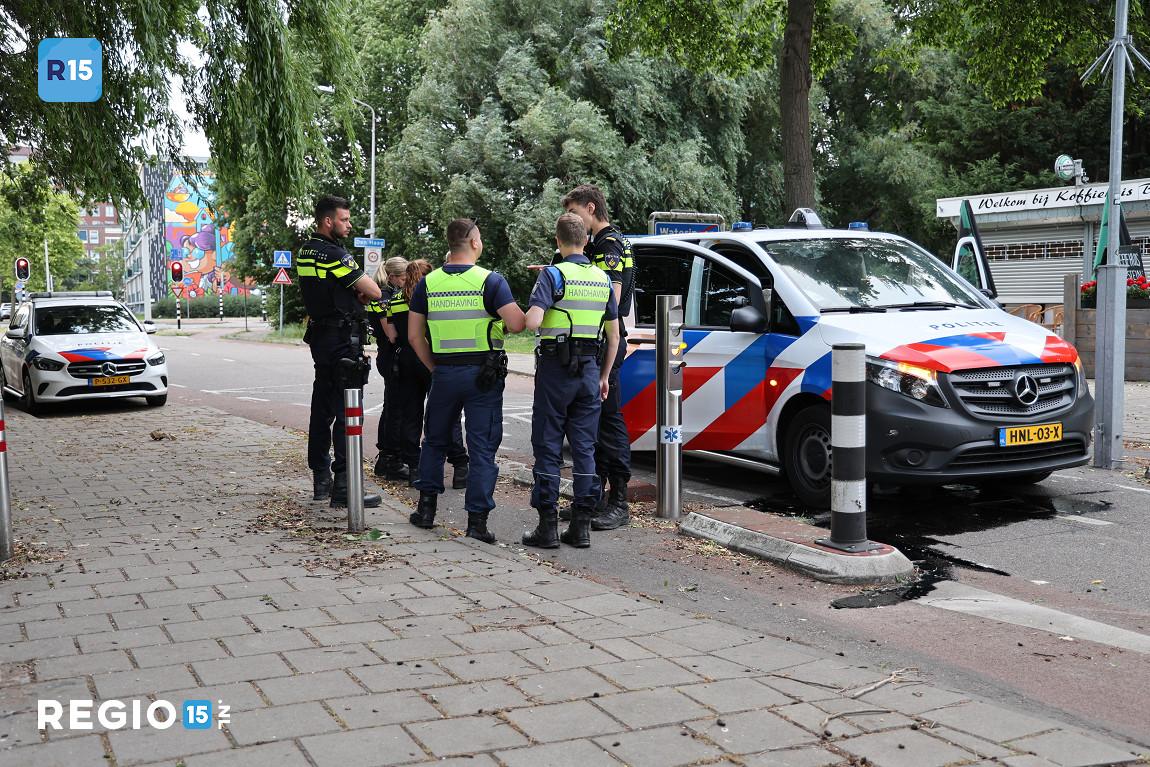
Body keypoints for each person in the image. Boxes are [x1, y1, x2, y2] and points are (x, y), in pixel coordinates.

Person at [406, 218, 526, 543]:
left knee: (434, 441)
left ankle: (426, 511)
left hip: (444, 373)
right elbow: (517, 325)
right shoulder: (491, 281)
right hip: (483, 377)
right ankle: (476, 523)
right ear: (474, 242)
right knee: (483, 448)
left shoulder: (427, 284)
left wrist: (435, 368)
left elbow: (415, 337)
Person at [522, 213, 619, 549]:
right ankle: (580, 527)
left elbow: (533, 322)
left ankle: (547, 528)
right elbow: (616, 336)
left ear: (558, 240)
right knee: (585, 448)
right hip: (591, 371)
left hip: (555, 371)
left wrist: (533, 304)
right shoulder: (602, 279)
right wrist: (605, 376)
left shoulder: (553, 275)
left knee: (548, 447)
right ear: (587, 241)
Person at [297, 195, 383, 508]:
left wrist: (350, 293)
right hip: (342, 340)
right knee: (349, 410)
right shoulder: (333, 253)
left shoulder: (307, 250)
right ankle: (345, 486)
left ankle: (322, 478)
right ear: (328, 221)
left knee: (322, 407)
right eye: (344, 220)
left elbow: (328, 289)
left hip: (321, 337)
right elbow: (373, 290)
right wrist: (361, 290)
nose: (349, 225)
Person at [560, 184, 634, 530]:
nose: (571, 219)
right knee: (596, 421)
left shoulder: (608, 244)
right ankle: (596, 498)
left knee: (608, 420)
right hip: (601, 340)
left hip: (606, 341)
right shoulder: (612, 242)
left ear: (591, 208)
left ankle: (618, 502)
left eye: (575, 212)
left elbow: (610, 297)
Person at [384, 259, 468, 486]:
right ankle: (460, 467)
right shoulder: (433, 295)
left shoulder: (394, 300)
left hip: (405, 361)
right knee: (447, 414)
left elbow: (392, 335)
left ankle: (414, 468)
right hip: (432, 357)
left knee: (410, 415)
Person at [366, 257, 408, 481]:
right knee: (396, 409)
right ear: (392, 277)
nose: (405, 282)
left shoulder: (387, 294)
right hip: (391, 356)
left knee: (392, 407)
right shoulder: (383, 297)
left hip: (389, 356)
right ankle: (391, 459)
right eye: (403, 278)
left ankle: (386, 456)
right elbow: (391, 334)